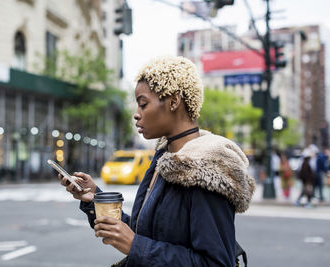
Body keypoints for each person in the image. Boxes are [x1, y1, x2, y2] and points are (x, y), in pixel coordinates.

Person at [58, 56, 256, 266]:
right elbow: (146, 235)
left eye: (143, 104)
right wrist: (94, 199)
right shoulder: (163, 159)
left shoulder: (207, 170)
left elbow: (215, 263)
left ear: (173, 101)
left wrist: (134, 246)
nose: (136, 114)